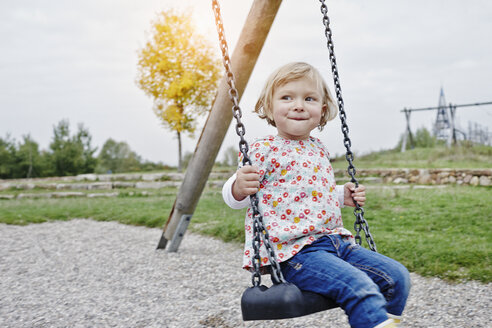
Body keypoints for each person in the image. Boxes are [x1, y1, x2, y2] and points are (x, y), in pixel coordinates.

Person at [222, 62, 410, 328]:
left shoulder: (318, 149)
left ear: (322, 110)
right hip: (296, 253)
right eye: (287, 97)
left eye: (309, 98)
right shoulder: (263, 149)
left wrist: (340, 195)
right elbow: (235, 197)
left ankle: (382, 322)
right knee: (359, 286)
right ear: (268, 106)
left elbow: (308, 193)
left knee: (396, 277)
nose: (298, 105)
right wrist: (238, 186)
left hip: (336, 243)